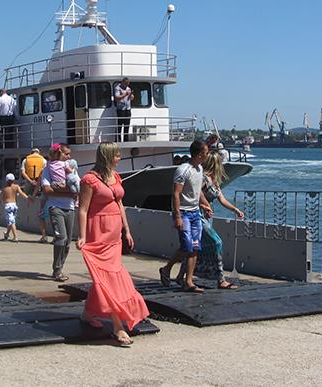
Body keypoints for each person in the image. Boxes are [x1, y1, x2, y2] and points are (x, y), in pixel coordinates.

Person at [77, 142, 149, 346]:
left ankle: (87, 313)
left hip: (114, 234)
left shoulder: (115, 177)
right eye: (116, 155)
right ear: (107, 156)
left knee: (105, 278)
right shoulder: (89, 180)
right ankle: (118, 326)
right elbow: (83, 209)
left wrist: (127, 230)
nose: (119, 158)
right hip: (97, 232)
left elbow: (120, 203)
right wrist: (81, 236)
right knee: (108, 279)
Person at [174, 151, 244, 289]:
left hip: (207, 217)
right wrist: (204, 204)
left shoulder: (215, 182)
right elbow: (195, 193)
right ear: (216, 164)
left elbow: (222, 200)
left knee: (194, 248)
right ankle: (220, 279)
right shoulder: (204, 179)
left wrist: (235, 210)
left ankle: (180, 276)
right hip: (198, 216)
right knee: (216, 242)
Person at [158, 140, 212, 293]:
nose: (207, 155)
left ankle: (189, 281)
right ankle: (166, 268)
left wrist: (205, 205)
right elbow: (176, 194)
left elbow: (197, 192)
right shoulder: (183, 170)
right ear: (200, 154)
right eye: (206, 153)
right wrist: (178, 216)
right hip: (183, 213)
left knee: (195, 247)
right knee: (186, 246)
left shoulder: (200, 169)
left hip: (195, 213)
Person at [42, 143, 76, 281]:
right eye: (66, 154)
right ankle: (57, 270)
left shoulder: (70, 167)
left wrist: (64, 190)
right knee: (61, 237)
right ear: (58, 153)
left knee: (68, 241)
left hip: (70, 207)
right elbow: (47, 190)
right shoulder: (48, 169)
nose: (69, 156)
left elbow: (76, 186)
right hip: (55, 207)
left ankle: (60, 267)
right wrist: (68, 193)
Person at [21, 148, 49, 242]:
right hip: (40, 183)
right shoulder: (43, 160)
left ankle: (44, 235)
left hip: (29, 182)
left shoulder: (26, 159)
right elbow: (43, 173)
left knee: (28, 195)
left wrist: (30, 181)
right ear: (39, 153)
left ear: (31, 152)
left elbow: (23, 172)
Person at [1, 173, 28, 241]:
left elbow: (3, 198)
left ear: (6, 181)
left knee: (11, 222)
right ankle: (7, 234)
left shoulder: (5, 189)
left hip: (8, 206)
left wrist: (3, 203)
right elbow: (22, 193)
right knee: (11, 221)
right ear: (14, 180)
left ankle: (15, 237)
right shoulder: (16, 187)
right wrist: (27, 198)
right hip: (14, 205)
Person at [113, 78, 133, 142]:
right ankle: (118, 140)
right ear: (122, 82)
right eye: (126, 83)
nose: (127, 85)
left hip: (128, 109)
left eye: (128, 84)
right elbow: (117, 98)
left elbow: (131, 98)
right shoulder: (117, 88)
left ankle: (126, 140)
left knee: (127, 126)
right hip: (121, 109)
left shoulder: (128, 88)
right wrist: (125, 94)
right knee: (119, 125)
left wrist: (131, 95)